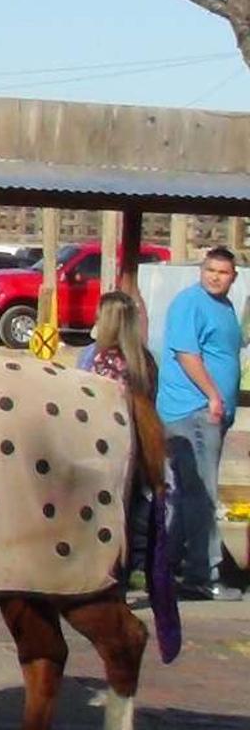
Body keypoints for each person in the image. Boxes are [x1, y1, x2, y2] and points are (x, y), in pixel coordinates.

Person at [156, 246, 242, 602]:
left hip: (210, 413)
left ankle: (170, 567)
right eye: (210, 270)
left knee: (186, 493)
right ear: (201, 271)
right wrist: (213, 395)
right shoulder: (189, 302)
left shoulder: (225, 307)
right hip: (191, 411)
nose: (215, 276)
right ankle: (202, 574)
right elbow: (186, 354)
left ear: (233, 277)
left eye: (222, 272)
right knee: (202, 495)